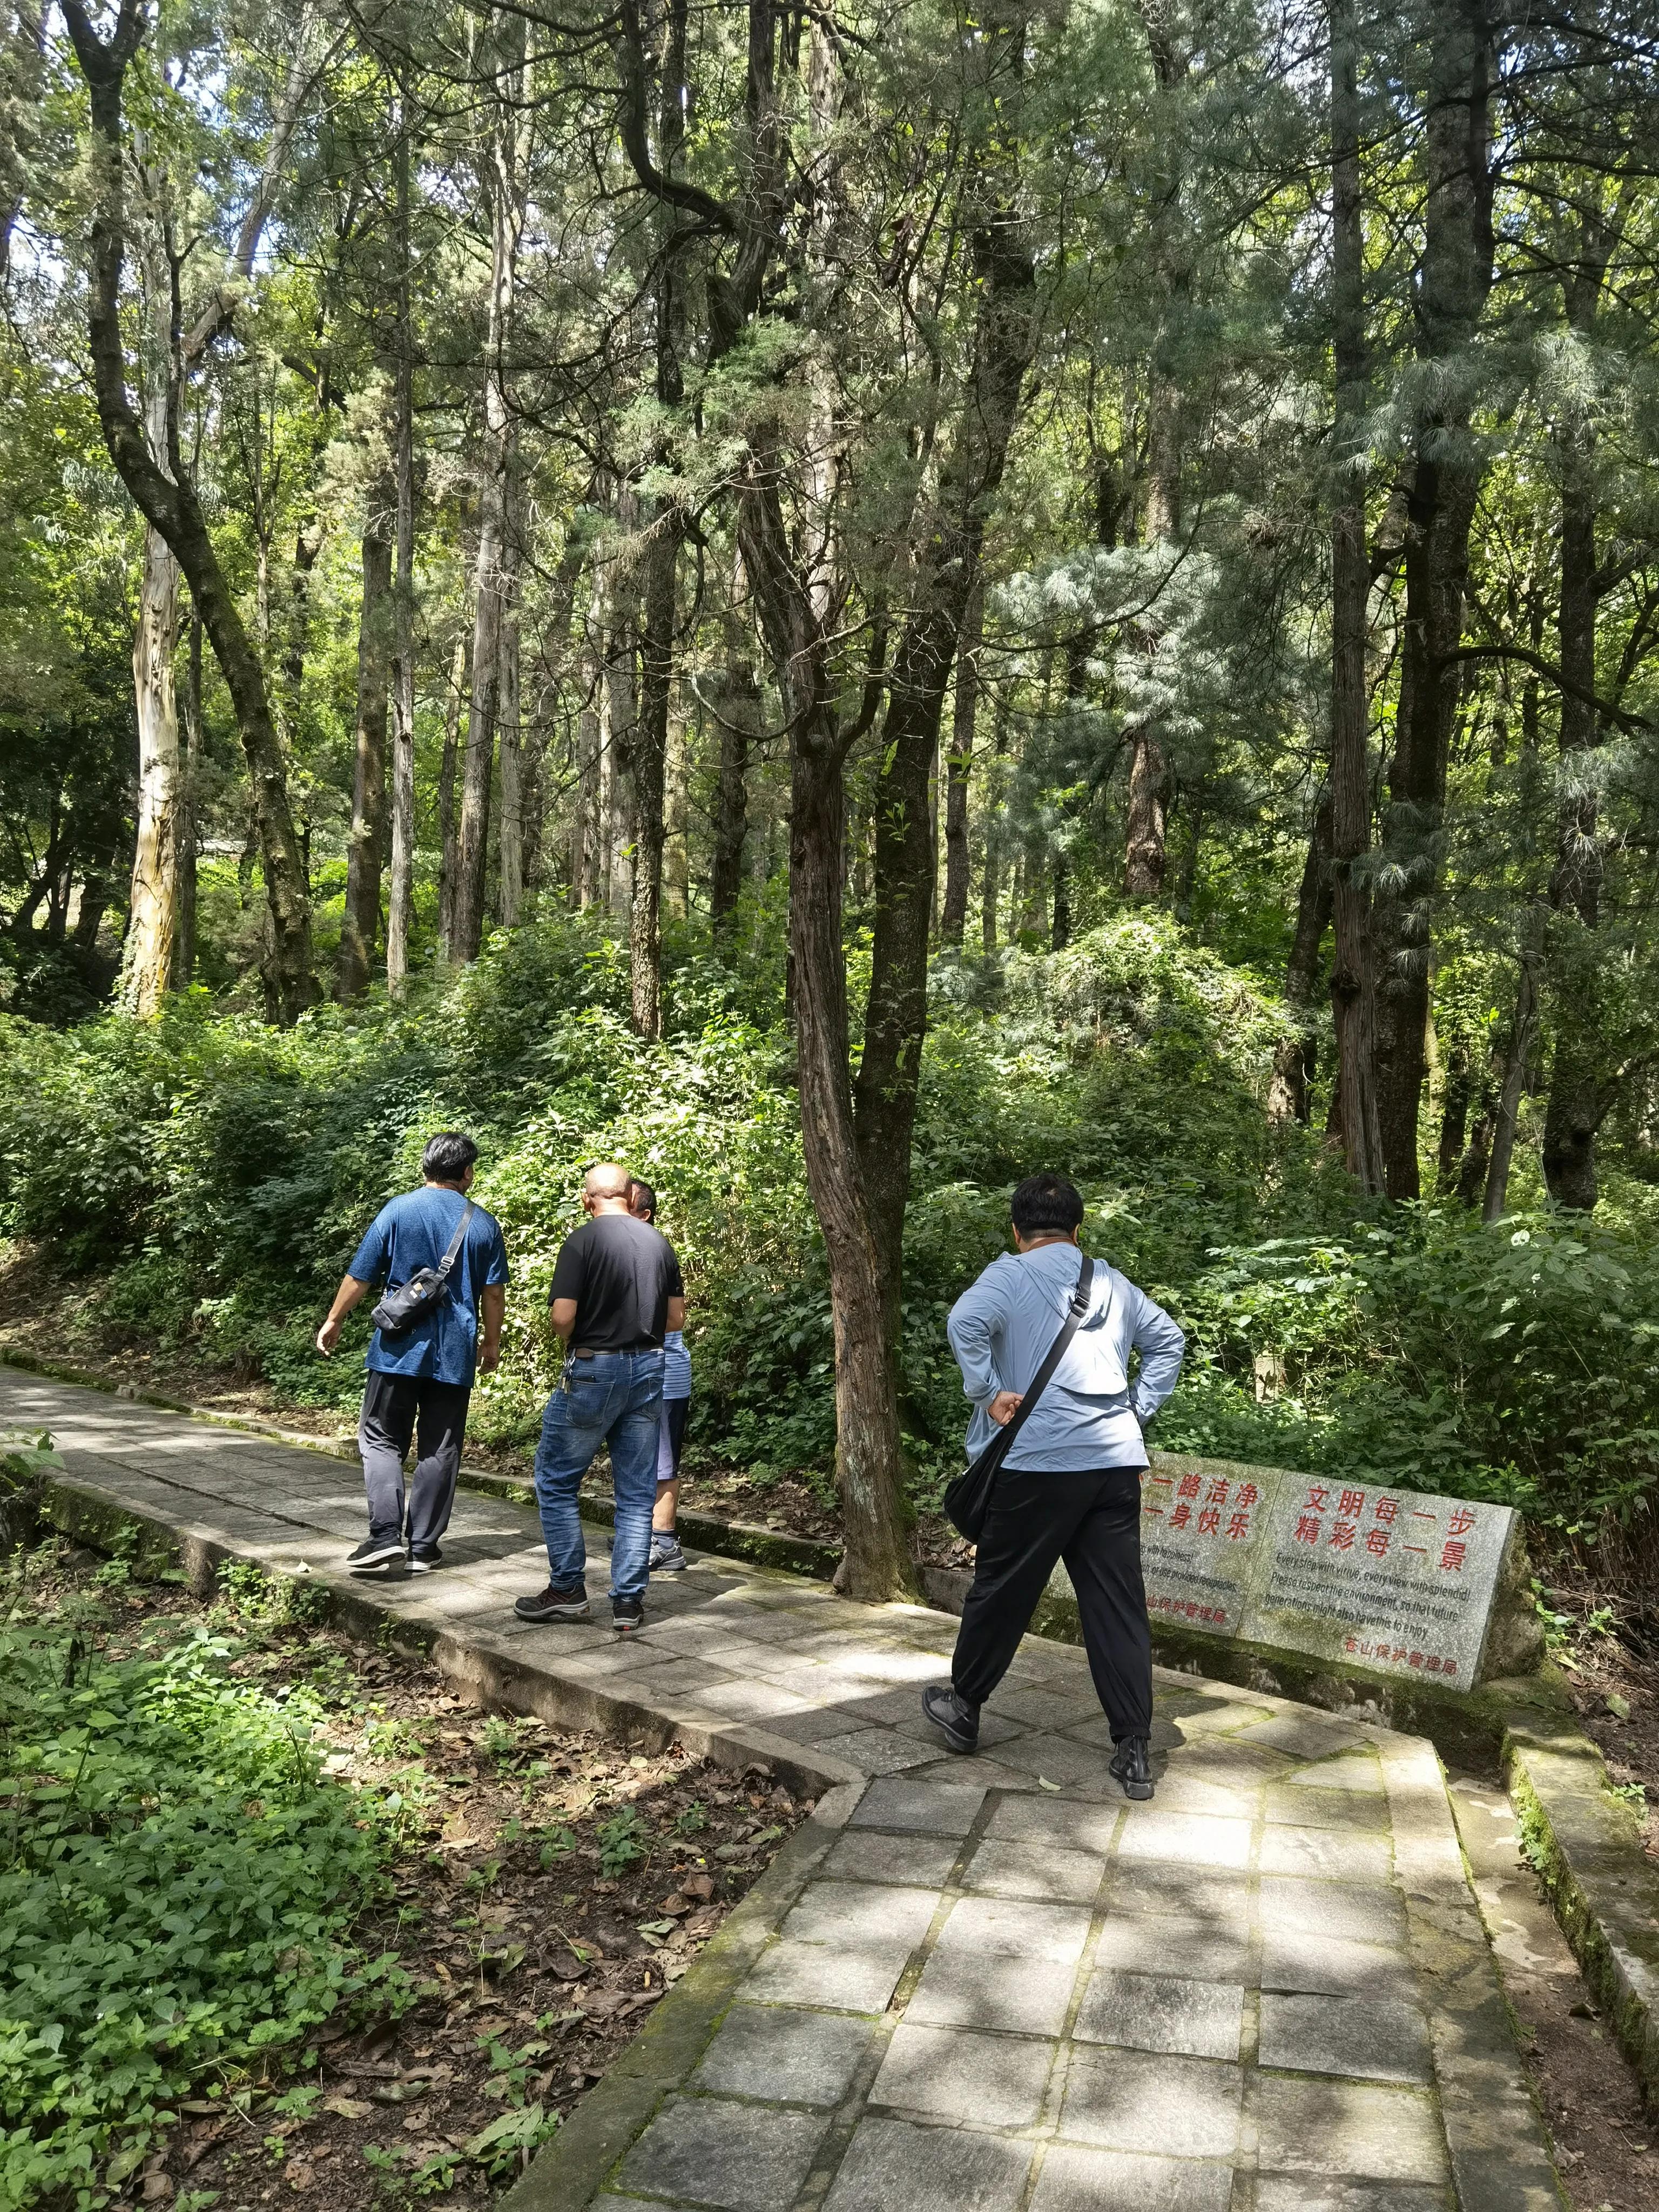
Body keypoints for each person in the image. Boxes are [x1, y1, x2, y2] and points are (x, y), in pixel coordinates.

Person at [922, 1171, 1184, 1799]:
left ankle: (964, 1706)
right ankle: (1134, 1747)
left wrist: (988, 1393)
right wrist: (1135, 1412)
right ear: (1077, 1228)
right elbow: (1169, 1341)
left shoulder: (1008, 1275)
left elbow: (964, 1322)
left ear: (1017, 1230)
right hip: (1113, 1465)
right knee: (1117, 1601)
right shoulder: (1112, 1282)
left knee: (1003, 1589)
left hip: (1038, 1464)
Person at [317, 1131, 509, 1576]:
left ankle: (385, 1537)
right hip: (454, 1352)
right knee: (441, 1447)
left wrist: (335, 1319)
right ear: (467, 1173)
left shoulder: (398, 1210)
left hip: (398, 1347)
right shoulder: (484, 1224)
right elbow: (494, 1294)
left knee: (381, 1438)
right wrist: (491, 1343)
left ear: (425, 1167)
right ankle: (423, 1548)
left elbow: (361, 1275)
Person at [515, 1163, 685, 1634]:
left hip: (595, 1370)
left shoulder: (582, 1241)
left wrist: (579, 1327)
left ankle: (568, 1589)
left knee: (556, 1480)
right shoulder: (659, 1243)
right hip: (650, 1368)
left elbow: (562, 1317)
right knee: (636, 1493)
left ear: (587, 1199)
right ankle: (628, 1601)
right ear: (630, 1196)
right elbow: (675, 1320)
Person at [628, 1179, 692, 1574]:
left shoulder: (658, 1252)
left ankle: (666, 1543)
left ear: (644, 1215)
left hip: (665, 1374)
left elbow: (675, 1319)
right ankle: (641, 1534)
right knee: (638, 1459)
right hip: (635, 1371)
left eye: (627, 1204)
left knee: (663, 1463)